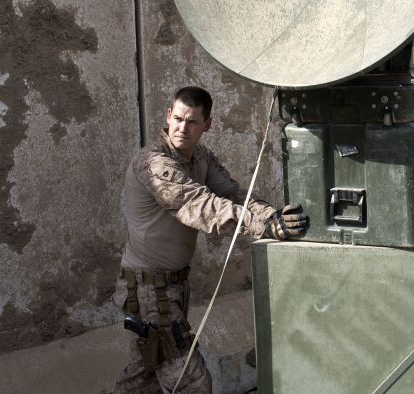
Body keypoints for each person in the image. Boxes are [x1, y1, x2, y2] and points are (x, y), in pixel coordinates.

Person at [112, 86, 308, 393]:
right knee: (192, 382)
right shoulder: (153, 163)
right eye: (177, 118)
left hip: (170, 286)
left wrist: (270, 215)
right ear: (168, 116)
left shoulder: (200, 157)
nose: (182, 128)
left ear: (207, 125)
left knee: (142, 379)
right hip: (149, 289)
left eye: (191, 122)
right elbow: (198, 205)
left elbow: (231, 193)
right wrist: (262, 226)